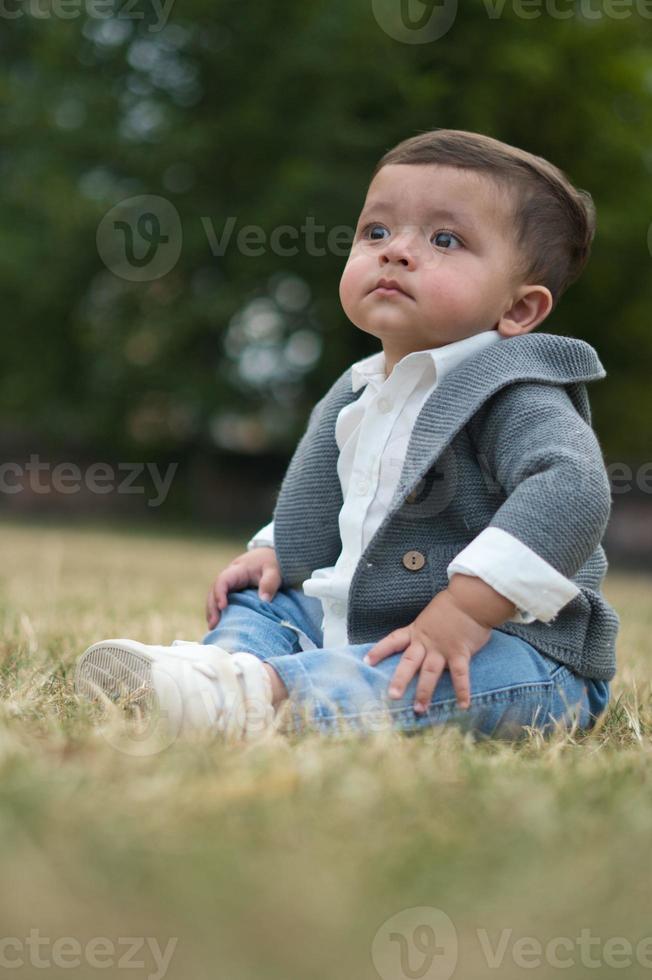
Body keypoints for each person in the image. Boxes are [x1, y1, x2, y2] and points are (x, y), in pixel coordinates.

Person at [75, 129, 620, 744]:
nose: (397, 252)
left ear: (519, 310)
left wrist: (467, 610)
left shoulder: (517, 392)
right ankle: (224, 671)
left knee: (447, 677)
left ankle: (260, 698)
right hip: (364, 622)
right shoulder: (361, 387)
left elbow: (572, 489)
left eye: (445, 239)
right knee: (263, 598)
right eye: (376, 232)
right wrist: (277, 550)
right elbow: (319, 496)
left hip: (515, 648)